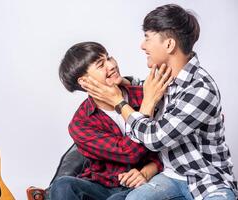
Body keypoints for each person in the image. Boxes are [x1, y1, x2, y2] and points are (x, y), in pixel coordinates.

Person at [80, 4, 237, 200]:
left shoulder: (200, 89)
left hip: (207, 181)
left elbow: (155, 138)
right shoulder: (164, 77)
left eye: (147, 38)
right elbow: (142, 85)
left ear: (169, 45)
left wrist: (120, 103)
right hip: (170, 177)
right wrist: (121, 82)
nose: (142, 45)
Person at [50, 41, 163, 200]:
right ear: (84, 82)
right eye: (101, 64)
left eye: (109, 58)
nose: (111, 65)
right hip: (102, 186)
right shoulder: (81, 123)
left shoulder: (144, 94)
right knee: (63, 186)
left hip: (145, 183)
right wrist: (146, 108)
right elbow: (128, 153)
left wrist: (150, 170)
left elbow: (170, 142)